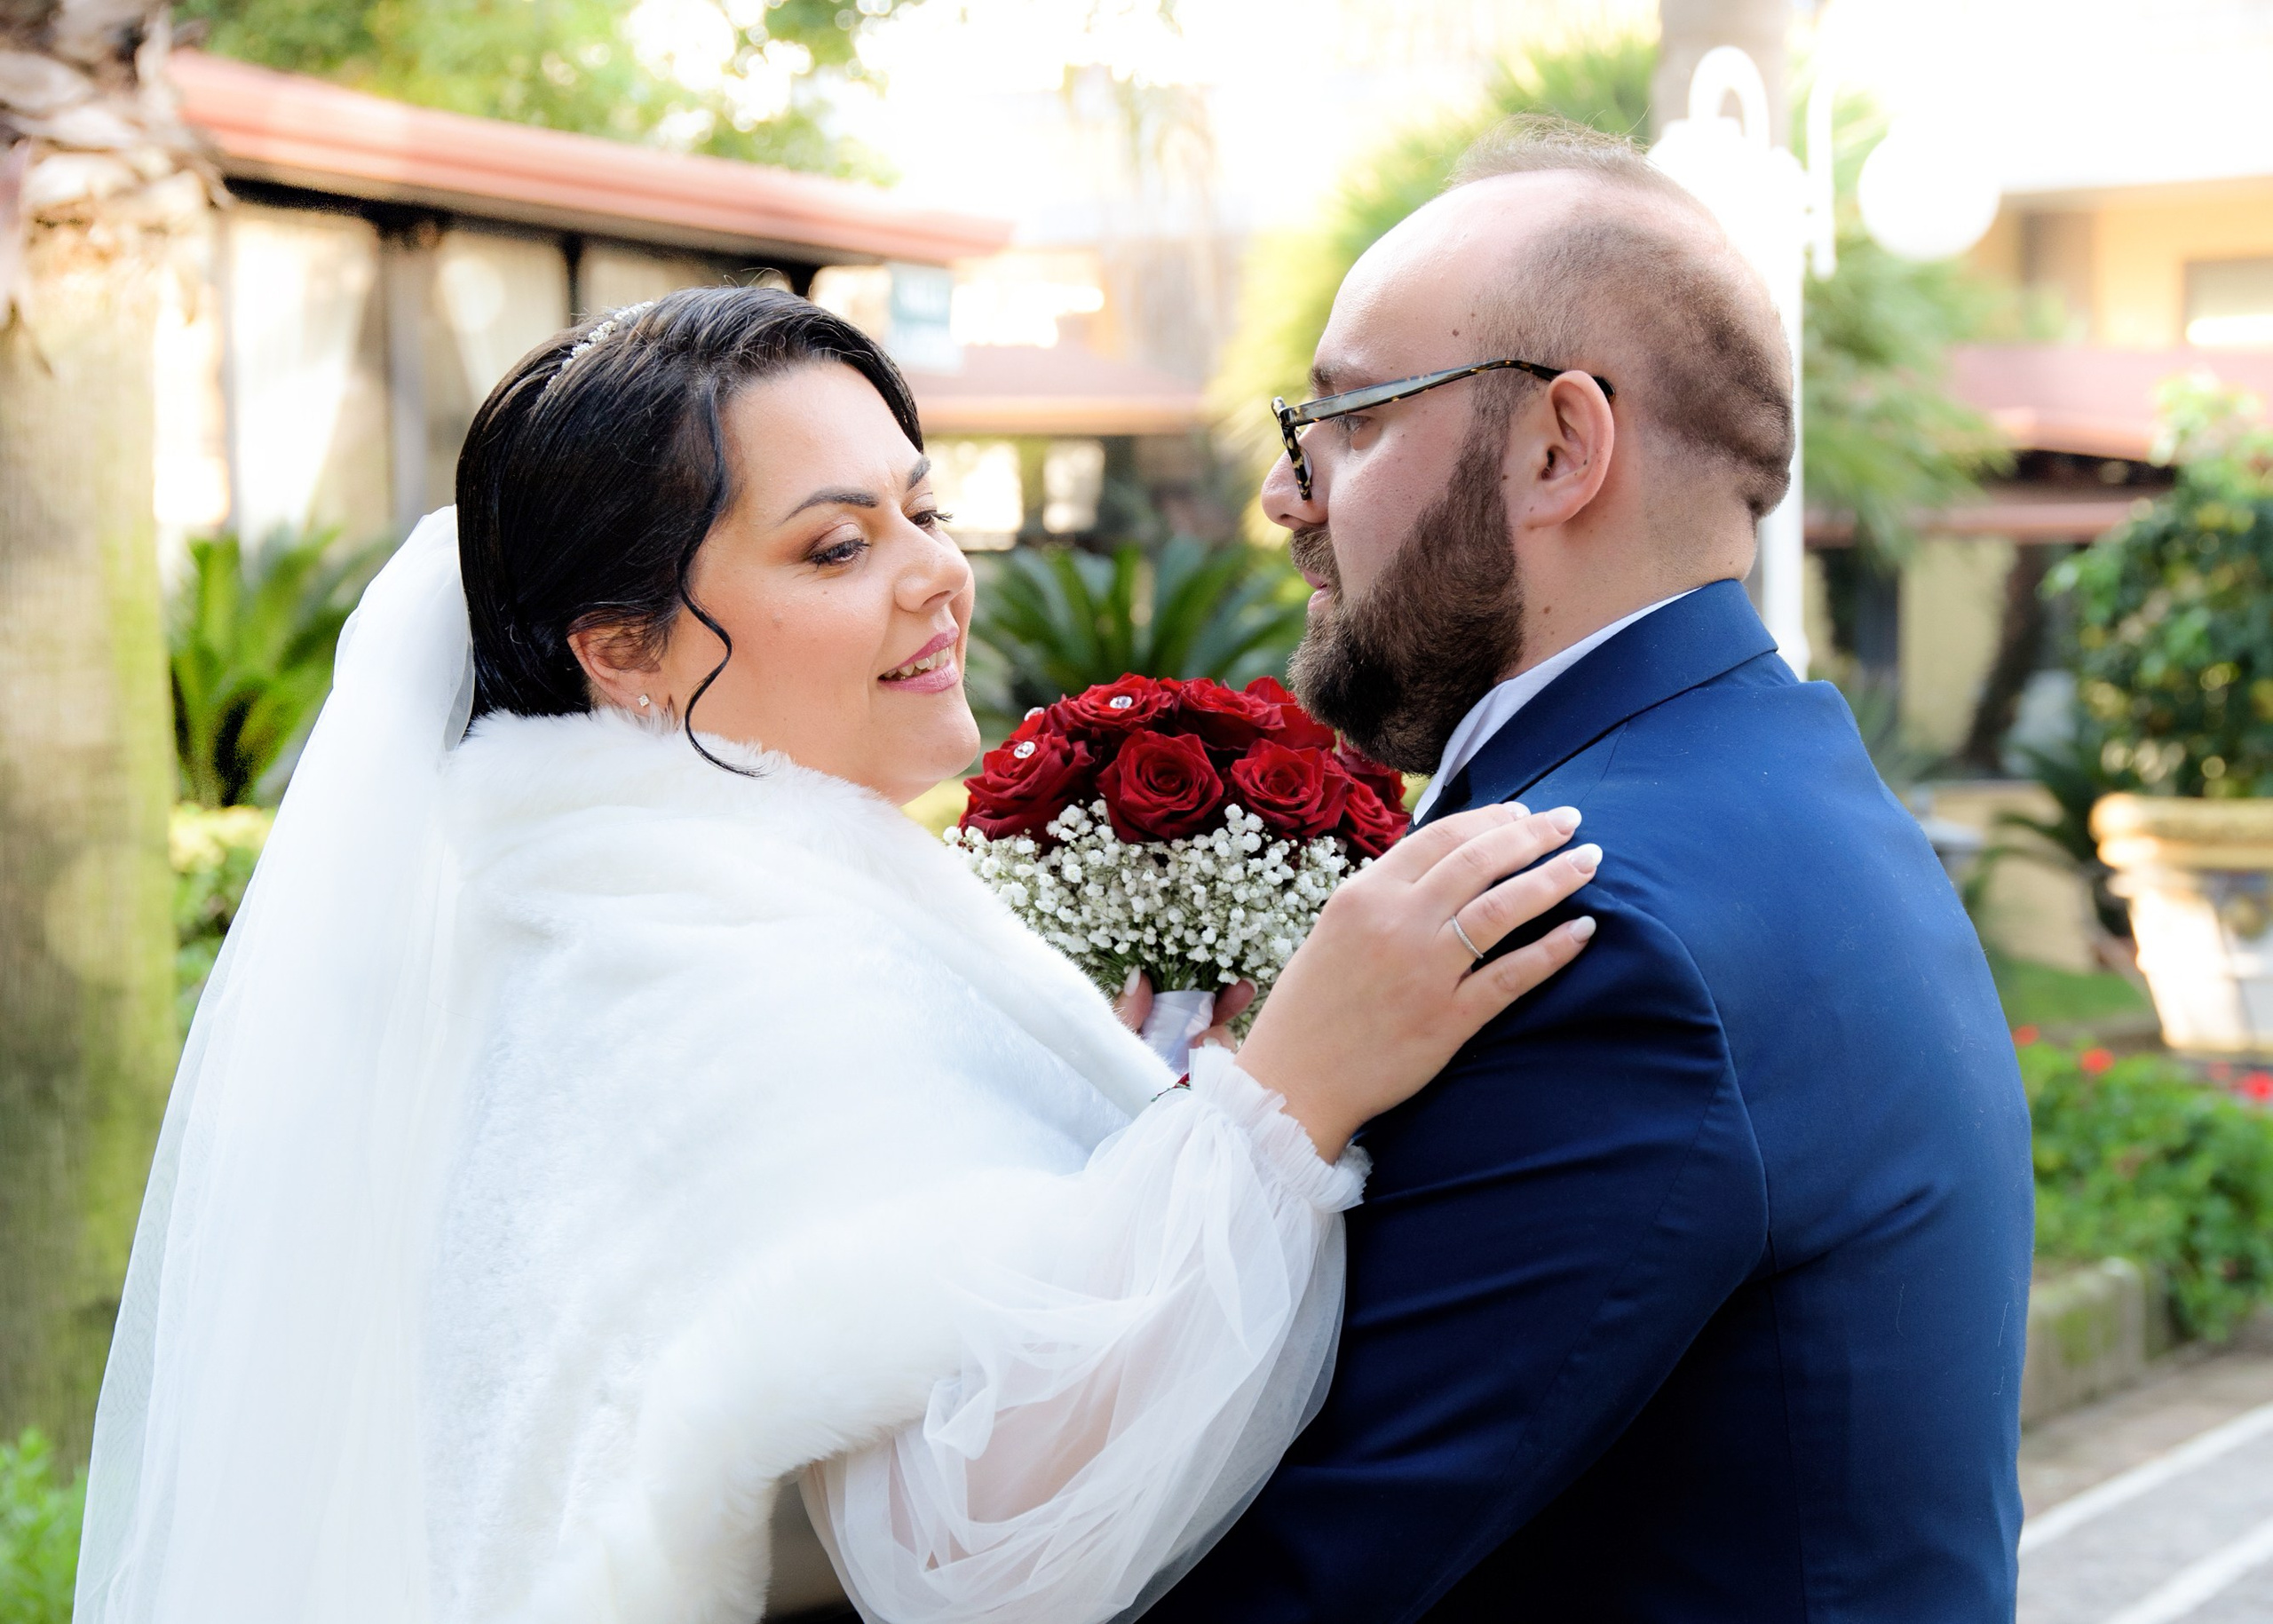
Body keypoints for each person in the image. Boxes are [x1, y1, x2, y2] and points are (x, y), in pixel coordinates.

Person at [71, 288, 1601, 1624]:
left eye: (923, 511)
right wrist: (1288, 1097)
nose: (935, 573)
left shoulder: (639, 910)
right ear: (627, 649)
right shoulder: (705, 979)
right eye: (836, 546)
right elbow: (968, 1546)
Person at [1146, 116, 2035, 1622]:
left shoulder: (1593, 918)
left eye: (1352, 420)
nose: (1290, 498)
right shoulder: (1775, 789)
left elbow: (1312, 1577)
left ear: (1559, 447)